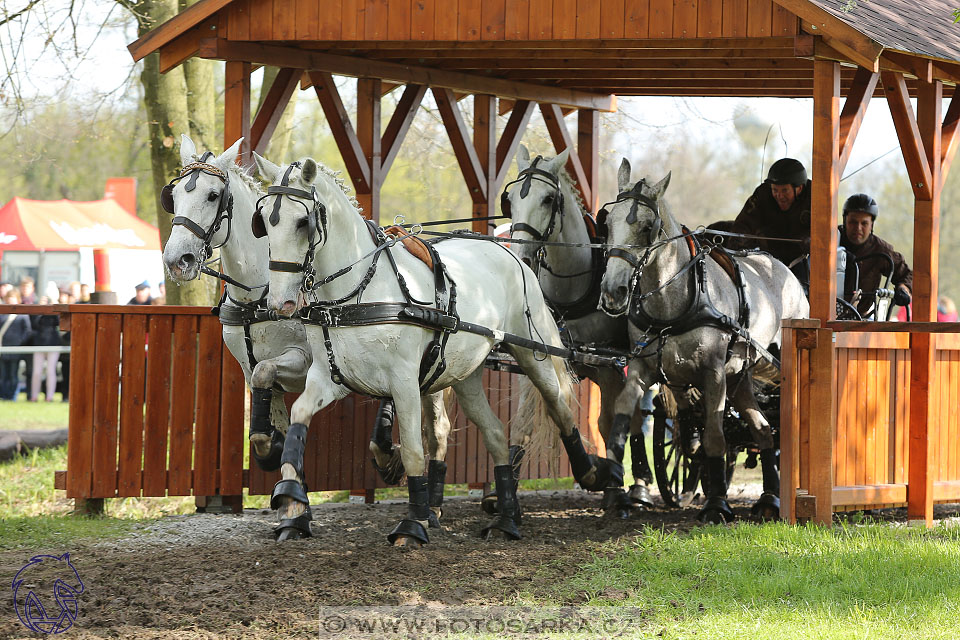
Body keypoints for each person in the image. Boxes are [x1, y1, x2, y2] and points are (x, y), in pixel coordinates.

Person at [729, 158, 812, 270]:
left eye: (784, 190)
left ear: (799, 189)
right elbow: (743, 225)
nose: (780, 196)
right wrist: (736, 254)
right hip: (768, 257)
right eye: (775, 190)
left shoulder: (814, 197)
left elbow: (826, 233)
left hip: (803, 259)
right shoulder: (762, 194)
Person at [838, 193, 912, 318]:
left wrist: (903, 289)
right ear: (845, 221)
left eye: (864, 223)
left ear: (872, 225)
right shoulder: (830, 240)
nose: (858, 228)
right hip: (825, 317)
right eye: (853, 222)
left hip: (862, 318)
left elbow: (906, 274)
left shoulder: (881, 250)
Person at [0, 289, 32, 400]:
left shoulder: (22, 315)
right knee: (3, 375)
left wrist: (19, 343)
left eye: (13, 298)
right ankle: (3, 395)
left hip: (15, 350)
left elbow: (27, 331)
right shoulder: (2, 314)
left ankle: (12, 396)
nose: (10, 300)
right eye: (9, 298)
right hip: (3, 349)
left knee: (13, 375)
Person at [29, 310, 61, 401]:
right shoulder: (38, 313)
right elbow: (33, 324)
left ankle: (49, 397)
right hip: (39, 343)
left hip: (53, 343)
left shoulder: (55, 313)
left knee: (50, 371)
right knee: (36, 372)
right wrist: (40, 310)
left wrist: (54, 309)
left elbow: (59, 322)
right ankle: (34, 396)